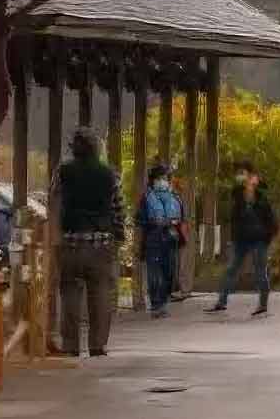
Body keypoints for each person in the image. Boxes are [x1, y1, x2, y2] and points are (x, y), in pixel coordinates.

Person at [52, 128, 123, 358]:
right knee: (100, 293)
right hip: (100, 244)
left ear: (74, 148)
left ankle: (71, 344)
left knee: (70, 293)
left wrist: (55, 236)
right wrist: (118, 238)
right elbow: (118, 209)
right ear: (96, 147)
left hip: (70, 242)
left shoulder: (62, 172)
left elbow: (52, 201)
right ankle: (97, 344)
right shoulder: (109, 174)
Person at [213, 165, 278, 316]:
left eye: (246, 175)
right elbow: (233, 218)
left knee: (260, 272)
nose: (243, 177)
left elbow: (272, 221)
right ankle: (221, 302)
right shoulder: (237, 196)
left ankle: (263, 305)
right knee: (231, 269)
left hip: (259, 240)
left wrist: (266, 237)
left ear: (254, 178)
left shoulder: (262, 198)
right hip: (241, 240)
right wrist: (234, 238)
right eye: (241, 175)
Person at [135, 161, 186, 316]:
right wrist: (153, 223)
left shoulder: (175, 198)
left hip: (170, 238)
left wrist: (175, 225)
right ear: (153, 180)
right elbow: (140, 220)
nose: (162, 181)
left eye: (164, 178)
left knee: (168, 272)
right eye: (159, 178)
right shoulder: (147, 198)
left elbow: (182, 218)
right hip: (153, 238)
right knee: (154, 273)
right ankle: (157, 305)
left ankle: (163, 301)